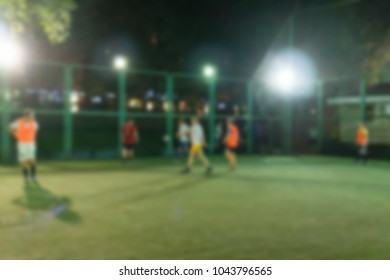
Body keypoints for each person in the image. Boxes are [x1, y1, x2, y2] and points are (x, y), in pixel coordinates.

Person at [9, 109, 39, 183]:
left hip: (31, 143)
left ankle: (33, 176)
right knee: (23, 160)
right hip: (21, 143)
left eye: (32, 115)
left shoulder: (34, 123)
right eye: (31, 115)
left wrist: (31, 137)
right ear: (26, 116)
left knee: (32, 159)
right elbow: (10, 128)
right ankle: (26, 177)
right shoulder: (18, 122)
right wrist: (16, 135)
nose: (32, 117)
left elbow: (36, 131)